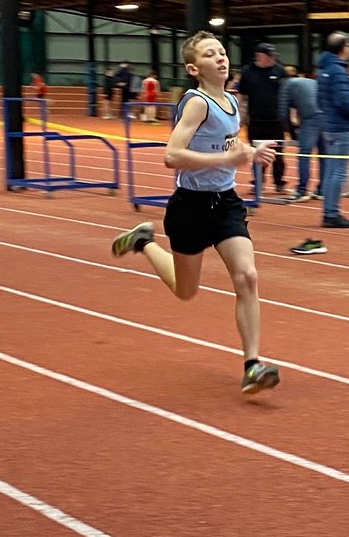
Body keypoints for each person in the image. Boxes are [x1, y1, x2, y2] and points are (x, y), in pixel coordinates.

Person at [111, 30, 280, 396]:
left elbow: (230, 144)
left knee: (248, 276)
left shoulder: (233, 102)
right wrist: (229, 157)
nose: (220, 57)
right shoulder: (197, 102)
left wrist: (251, 153)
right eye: (210, 54)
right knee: (186, 291)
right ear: (193, 67)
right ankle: (144, 243)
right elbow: (172, 156)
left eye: (222, 51)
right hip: (190, 206)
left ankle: (252, 365)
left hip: (226, 204)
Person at [317, 32, 349, 229]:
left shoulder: (324, 69)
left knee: (330, 171)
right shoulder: (338, 70)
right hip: (340, 126)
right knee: (339, 172)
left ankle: (329, 211)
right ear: (343, 48)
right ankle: (331, 213)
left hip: (328, 125)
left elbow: (320, 99)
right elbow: (343, 100)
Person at [237, 42, 287, 193]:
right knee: (257, 153)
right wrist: (239, 115)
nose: (272, 59)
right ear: (259, 56)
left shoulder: (279, 70)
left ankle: (279, 183)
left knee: (278, 154)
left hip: (276, 121)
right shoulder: (247, 72)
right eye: (269, 56)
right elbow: (242, 95)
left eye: (273, 56)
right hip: (256, 120)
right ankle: (258, 182)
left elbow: (287, 94)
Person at [278, 67, 324, 201]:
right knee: (324, 155)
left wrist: (290, 132)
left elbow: (282, 111)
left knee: (304, 154)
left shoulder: (285, 86)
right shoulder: (309, 82)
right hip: (326, 117)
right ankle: (322, 190)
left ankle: (301, 190)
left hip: (310, 118)